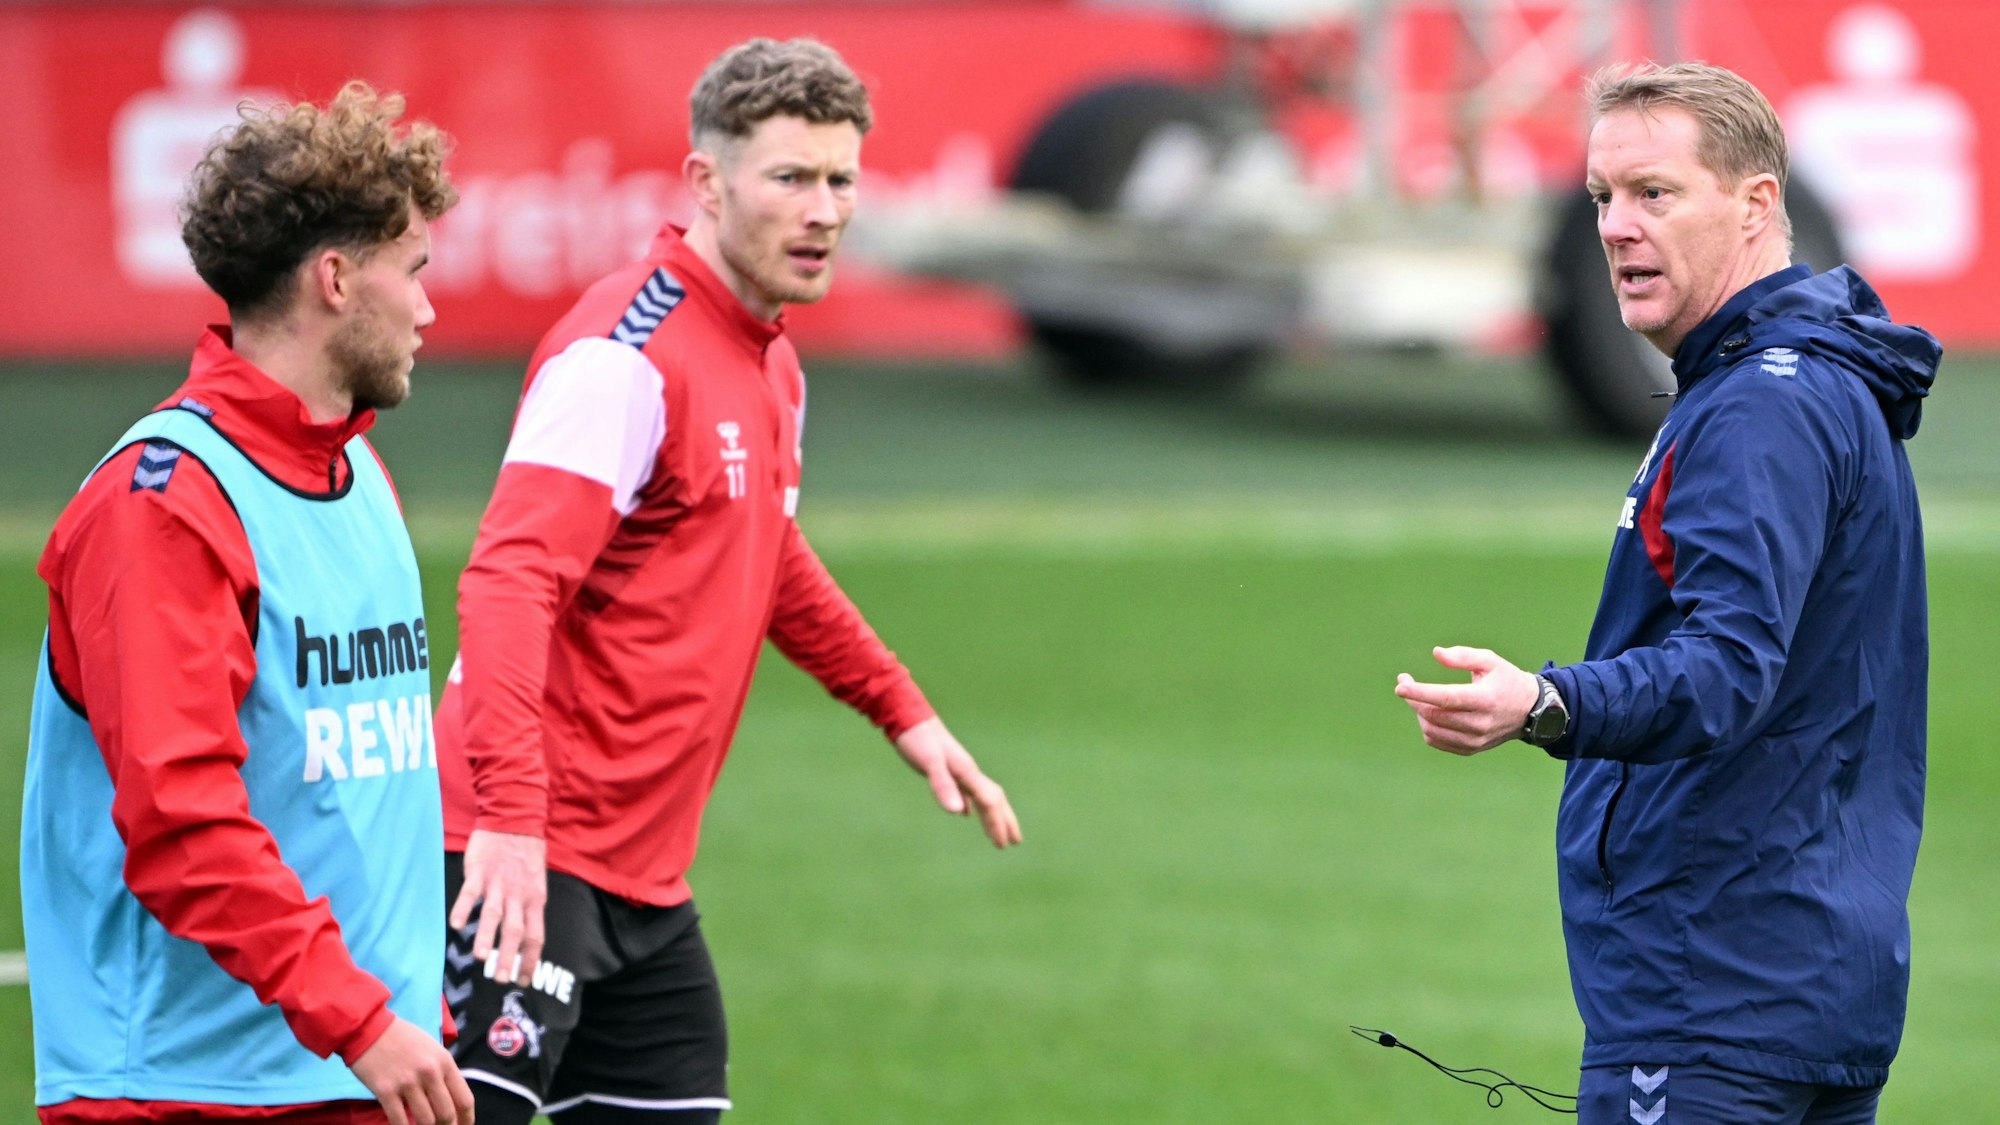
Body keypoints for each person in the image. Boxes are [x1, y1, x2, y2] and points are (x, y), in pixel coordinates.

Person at [431, 37, 1024, 1124]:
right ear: (707, 182)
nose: (825, 209)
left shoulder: (770, 360)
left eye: (840, 178)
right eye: (790, 178)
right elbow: (510, 579)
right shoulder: (624, 353)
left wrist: (898, 706)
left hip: (643, 883)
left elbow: (765, 550)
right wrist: (512, 826)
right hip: (517, 858)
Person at [1393, 62, 1939, 1125]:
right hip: (1814, 976)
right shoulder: (1821, 385)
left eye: (1654, 193)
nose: (1614, 228)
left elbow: (1726, 668)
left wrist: (1546, 703)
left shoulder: (1756, 411)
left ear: (1756, 203)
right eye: (1601, 197)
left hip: (1711, 993)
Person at [21, 83, 474, 1125]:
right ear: (334, 279)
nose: (428, 308)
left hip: (364, 1067)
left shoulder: (358, 473)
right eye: (413, 272)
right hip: (191, 1091)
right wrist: (356, 1015)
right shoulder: (166, 506)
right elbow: (182, 824)